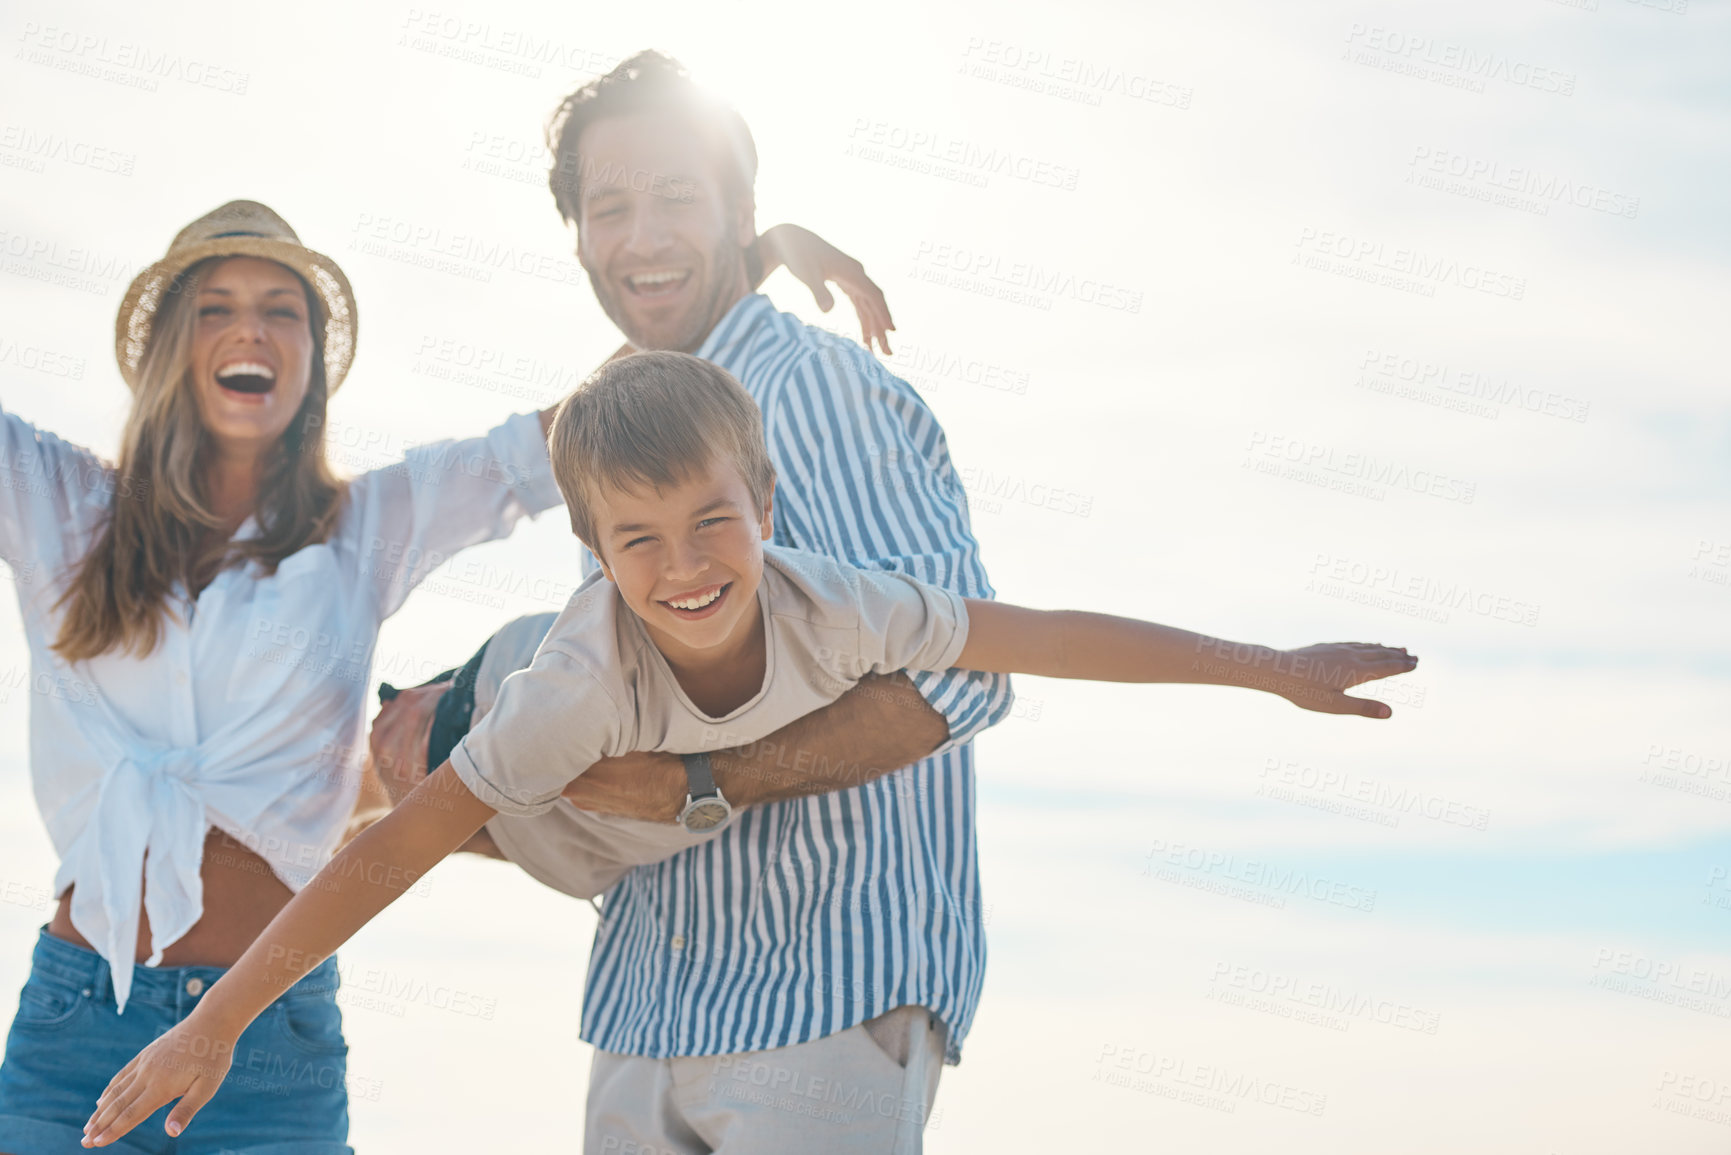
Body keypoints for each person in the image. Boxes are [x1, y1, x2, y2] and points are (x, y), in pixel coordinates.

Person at [82, 352, 1417, 1148]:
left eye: (710, 520)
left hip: (609, 825)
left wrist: (1268, 667)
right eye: (636, 539)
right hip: (502, 717)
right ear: (597, 552)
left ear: (765, 503)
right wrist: (217, 1020)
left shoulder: (841, 606)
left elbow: (1047, 634)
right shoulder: (576, 676)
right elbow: (401, 852)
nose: (683, 566)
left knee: (548, 801)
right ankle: (382, 714)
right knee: (432, 758)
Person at [0, 195, 896, 1155]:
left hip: (271, 1042)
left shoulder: (366, 525)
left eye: (281, 309)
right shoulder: (60, 500)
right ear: (173, 343)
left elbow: (580, 427)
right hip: (75, 1027)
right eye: (215, 306)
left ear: (310, 360)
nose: (250, 329)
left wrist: (748, 263)